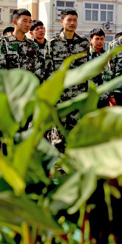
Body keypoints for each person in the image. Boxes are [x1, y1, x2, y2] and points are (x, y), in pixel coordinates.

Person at [45, 9, 90, 152]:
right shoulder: (52, 43)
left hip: (78, 98)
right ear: (61, 22)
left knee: (77, 136)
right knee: (58, 138)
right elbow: (47, 72)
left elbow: (87, 70)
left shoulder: (83, 43)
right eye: (69, 20)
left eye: (74, 20)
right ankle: (58, 170)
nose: (72, 23)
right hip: (60, 98)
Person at [0, 9, 43, 78]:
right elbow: (0, 69)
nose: (28, 24)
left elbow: (38, 70)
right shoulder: (3, 42)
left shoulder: (33, 45)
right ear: (15, 21)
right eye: (24, 21)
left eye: (30, 22)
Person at [88, 28, 110, 108]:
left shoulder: (106, 56)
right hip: (90, 96)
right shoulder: (86, 55)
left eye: (102, 39)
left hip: (104, 96)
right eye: (97, 39)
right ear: (90, 39)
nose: (100, 41)